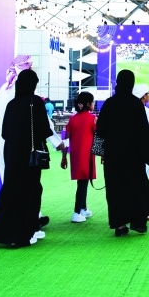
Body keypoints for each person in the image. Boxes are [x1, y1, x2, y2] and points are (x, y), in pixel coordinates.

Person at [0, 69, 52, 248]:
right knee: (30, 192)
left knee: (11, 190)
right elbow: (44, 130)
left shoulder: (11, 104)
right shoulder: (35, 102)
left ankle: (4, 232)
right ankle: (26, 232)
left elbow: (4, 132)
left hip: (12, 154)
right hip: (30, 157)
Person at [96, 69, 149, 236]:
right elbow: (144, 133)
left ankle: (119, 225)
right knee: (136, 187)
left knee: (115, 189)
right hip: (134, 156)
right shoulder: (135, 105)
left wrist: (101, 152)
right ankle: (138, 222)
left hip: (113, 155)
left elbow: (100, 129)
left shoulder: (110, 103)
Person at [61, 92, 97, 222]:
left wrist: (64, 157)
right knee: (83, 183)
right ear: (88, 104)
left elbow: (66, 140)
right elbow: (98, 136)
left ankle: (83, 208)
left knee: (82, 181)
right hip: (87, 156)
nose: (93, 104)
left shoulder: (72, 119)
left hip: (75, 156)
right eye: (92, 102)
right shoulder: (92, 118)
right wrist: (103, 154)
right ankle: (76, 212)